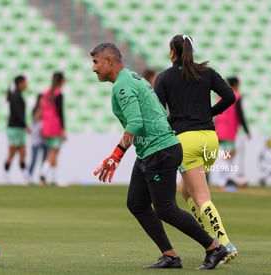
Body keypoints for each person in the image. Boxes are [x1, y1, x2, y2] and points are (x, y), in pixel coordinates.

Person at [90, 42, 227, 270]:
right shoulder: (133, 77)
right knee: (136, 203)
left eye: (96, 62)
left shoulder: (122, 86)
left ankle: (214, 247)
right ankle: (170, 256)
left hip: (160, 151)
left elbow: (135, 122)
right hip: (151, 151)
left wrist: (116, 155)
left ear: (109, 62)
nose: (94, 68)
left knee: (166, 209)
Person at [154, 34, 238, 263]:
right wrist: (210, 112)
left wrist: (173, 125)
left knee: (201, 196)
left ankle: (224, 243)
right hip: (210, 139)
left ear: (172, 52)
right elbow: (230, 96)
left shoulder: (164, 78)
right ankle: (212, 236)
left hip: (186, 141)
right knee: (186, 192)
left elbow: (159, 113)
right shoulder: (207, 73)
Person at [214, 76, 251, 187]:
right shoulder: (236, 96)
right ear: (236, 84)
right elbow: (240, 114)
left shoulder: (221, 95)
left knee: (231, 153)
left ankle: (227, 178)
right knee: (228, 155)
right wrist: (246, 130)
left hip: (218, 127)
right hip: (228, 129)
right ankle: (222, 180)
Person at [40, 72, 66, 186]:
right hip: (55, 126)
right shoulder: (58, 94)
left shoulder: (46, 93)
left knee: (53, 151)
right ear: (61, 81)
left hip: (46, 126)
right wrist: (63, 129)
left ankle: (53, 179)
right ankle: (43, 171)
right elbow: (60, 113)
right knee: (54, 152)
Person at [4, 75, 29, 183]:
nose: (26, 84)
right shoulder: (16, 96)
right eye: (25, 82)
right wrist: (25, 125)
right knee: (13, 152)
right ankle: (5, 174)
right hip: (15, 127)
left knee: (22, 151)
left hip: (17, 128)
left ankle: (24, 174)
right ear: (20, 83)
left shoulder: (17, 95)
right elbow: (18, 113)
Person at [28, 94, 48, 184]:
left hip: (45, 139)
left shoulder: (48, 110)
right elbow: (35, 118)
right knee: (34, 160)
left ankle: (42, 179)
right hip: (36, 140)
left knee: (44, 161)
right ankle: (28, 177)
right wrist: (41, 109)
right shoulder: (36, 110)